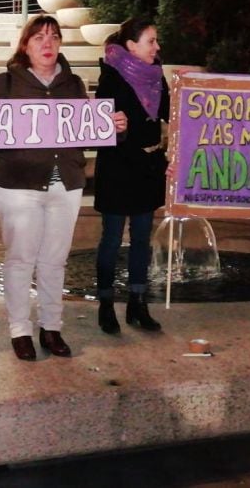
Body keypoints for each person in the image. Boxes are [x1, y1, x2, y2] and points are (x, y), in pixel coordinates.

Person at [0, 15, 127, 360]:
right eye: (39, 37)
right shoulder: (3, 83)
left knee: (55, 260)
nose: (47, 43)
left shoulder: (74, 84)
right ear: (25, 45)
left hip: (65, 183)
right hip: (18, 184)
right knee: (20, 259)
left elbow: (88, 131)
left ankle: (52, 327)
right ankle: (20, 330)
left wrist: (115, 127)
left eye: (54, 37)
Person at [92, 18, 169, 334]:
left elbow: (169, 111)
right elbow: (101, 127)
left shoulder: (156, 75)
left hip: (148, 168)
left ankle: (138, 302)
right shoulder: (111, 77)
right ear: (131, 46)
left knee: (142, 239)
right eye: (151, 41)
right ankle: (106, 304)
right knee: (111, 238)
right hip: (118, 168)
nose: (157, 47)